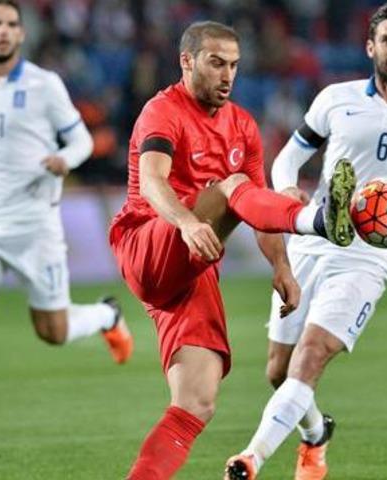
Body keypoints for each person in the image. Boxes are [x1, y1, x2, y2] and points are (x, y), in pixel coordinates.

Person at [108, 20, 357, 480]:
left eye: (235, 66)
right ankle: (317, 219)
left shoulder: (242, 126)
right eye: (216, 62)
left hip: (192, 269)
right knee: (233, 186)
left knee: (196, 404)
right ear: (187, 61)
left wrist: (282, 266)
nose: (227, 75)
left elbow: (255, 206)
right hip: (149, 237)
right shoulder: (162, 111)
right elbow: (152, 181)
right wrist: (183, 221)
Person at [225, 3, 387, 479]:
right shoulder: (336, 98)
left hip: (368, 258)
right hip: (314, 238)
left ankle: (250, 458)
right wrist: (287, 189)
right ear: (371, 46)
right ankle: (316, 433)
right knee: (279, 370)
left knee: (311, 356)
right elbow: (288, 158)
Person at [0, 0, 132, 444]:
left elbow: (83, 139)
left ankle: (107, 315)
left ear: (21, 34)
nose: (4, 31)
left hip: (34, 222)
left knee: (53, 331)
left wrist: (63, 160)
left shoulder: (45, 85)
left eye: (12, 24)